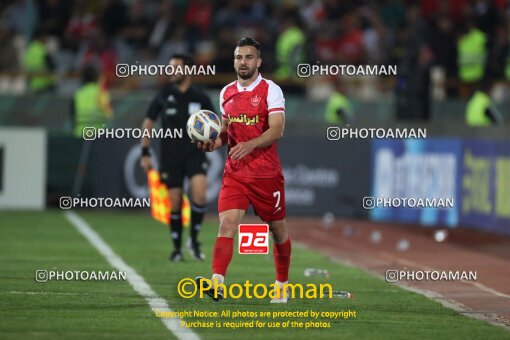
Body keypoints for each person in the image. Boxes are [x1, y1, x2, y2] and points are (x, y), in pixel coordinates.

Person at [195, 37, 292, 303]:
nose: (244, 62)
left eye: (249, 57)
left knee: (278, 232)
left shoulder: (271, 90)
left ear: (258, 61)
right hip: (235, 173)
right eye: (239, 57)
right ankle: (217, 283)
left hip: (265, 175)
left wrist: (250, 145)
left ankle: (281, 285)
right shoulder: (226, 92)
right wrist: (214, 143)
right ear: (234, 60)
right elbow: (227, 131)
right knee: (227, 225)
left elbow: (277, 129)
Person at [140, 54, 213, 262]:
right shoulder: (163, 94)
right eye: (170, 68)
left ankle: (194, 240)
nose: (172, 71)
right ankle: (176, 248)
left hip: (194, 152)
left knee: (200, 194)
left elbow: (215, 124)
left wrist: (212, 141)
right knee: (174, 202)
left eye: (176, 68)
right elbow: (148, 122)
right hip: (170, 155)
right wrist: (144, 152)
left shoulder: (201, 96)